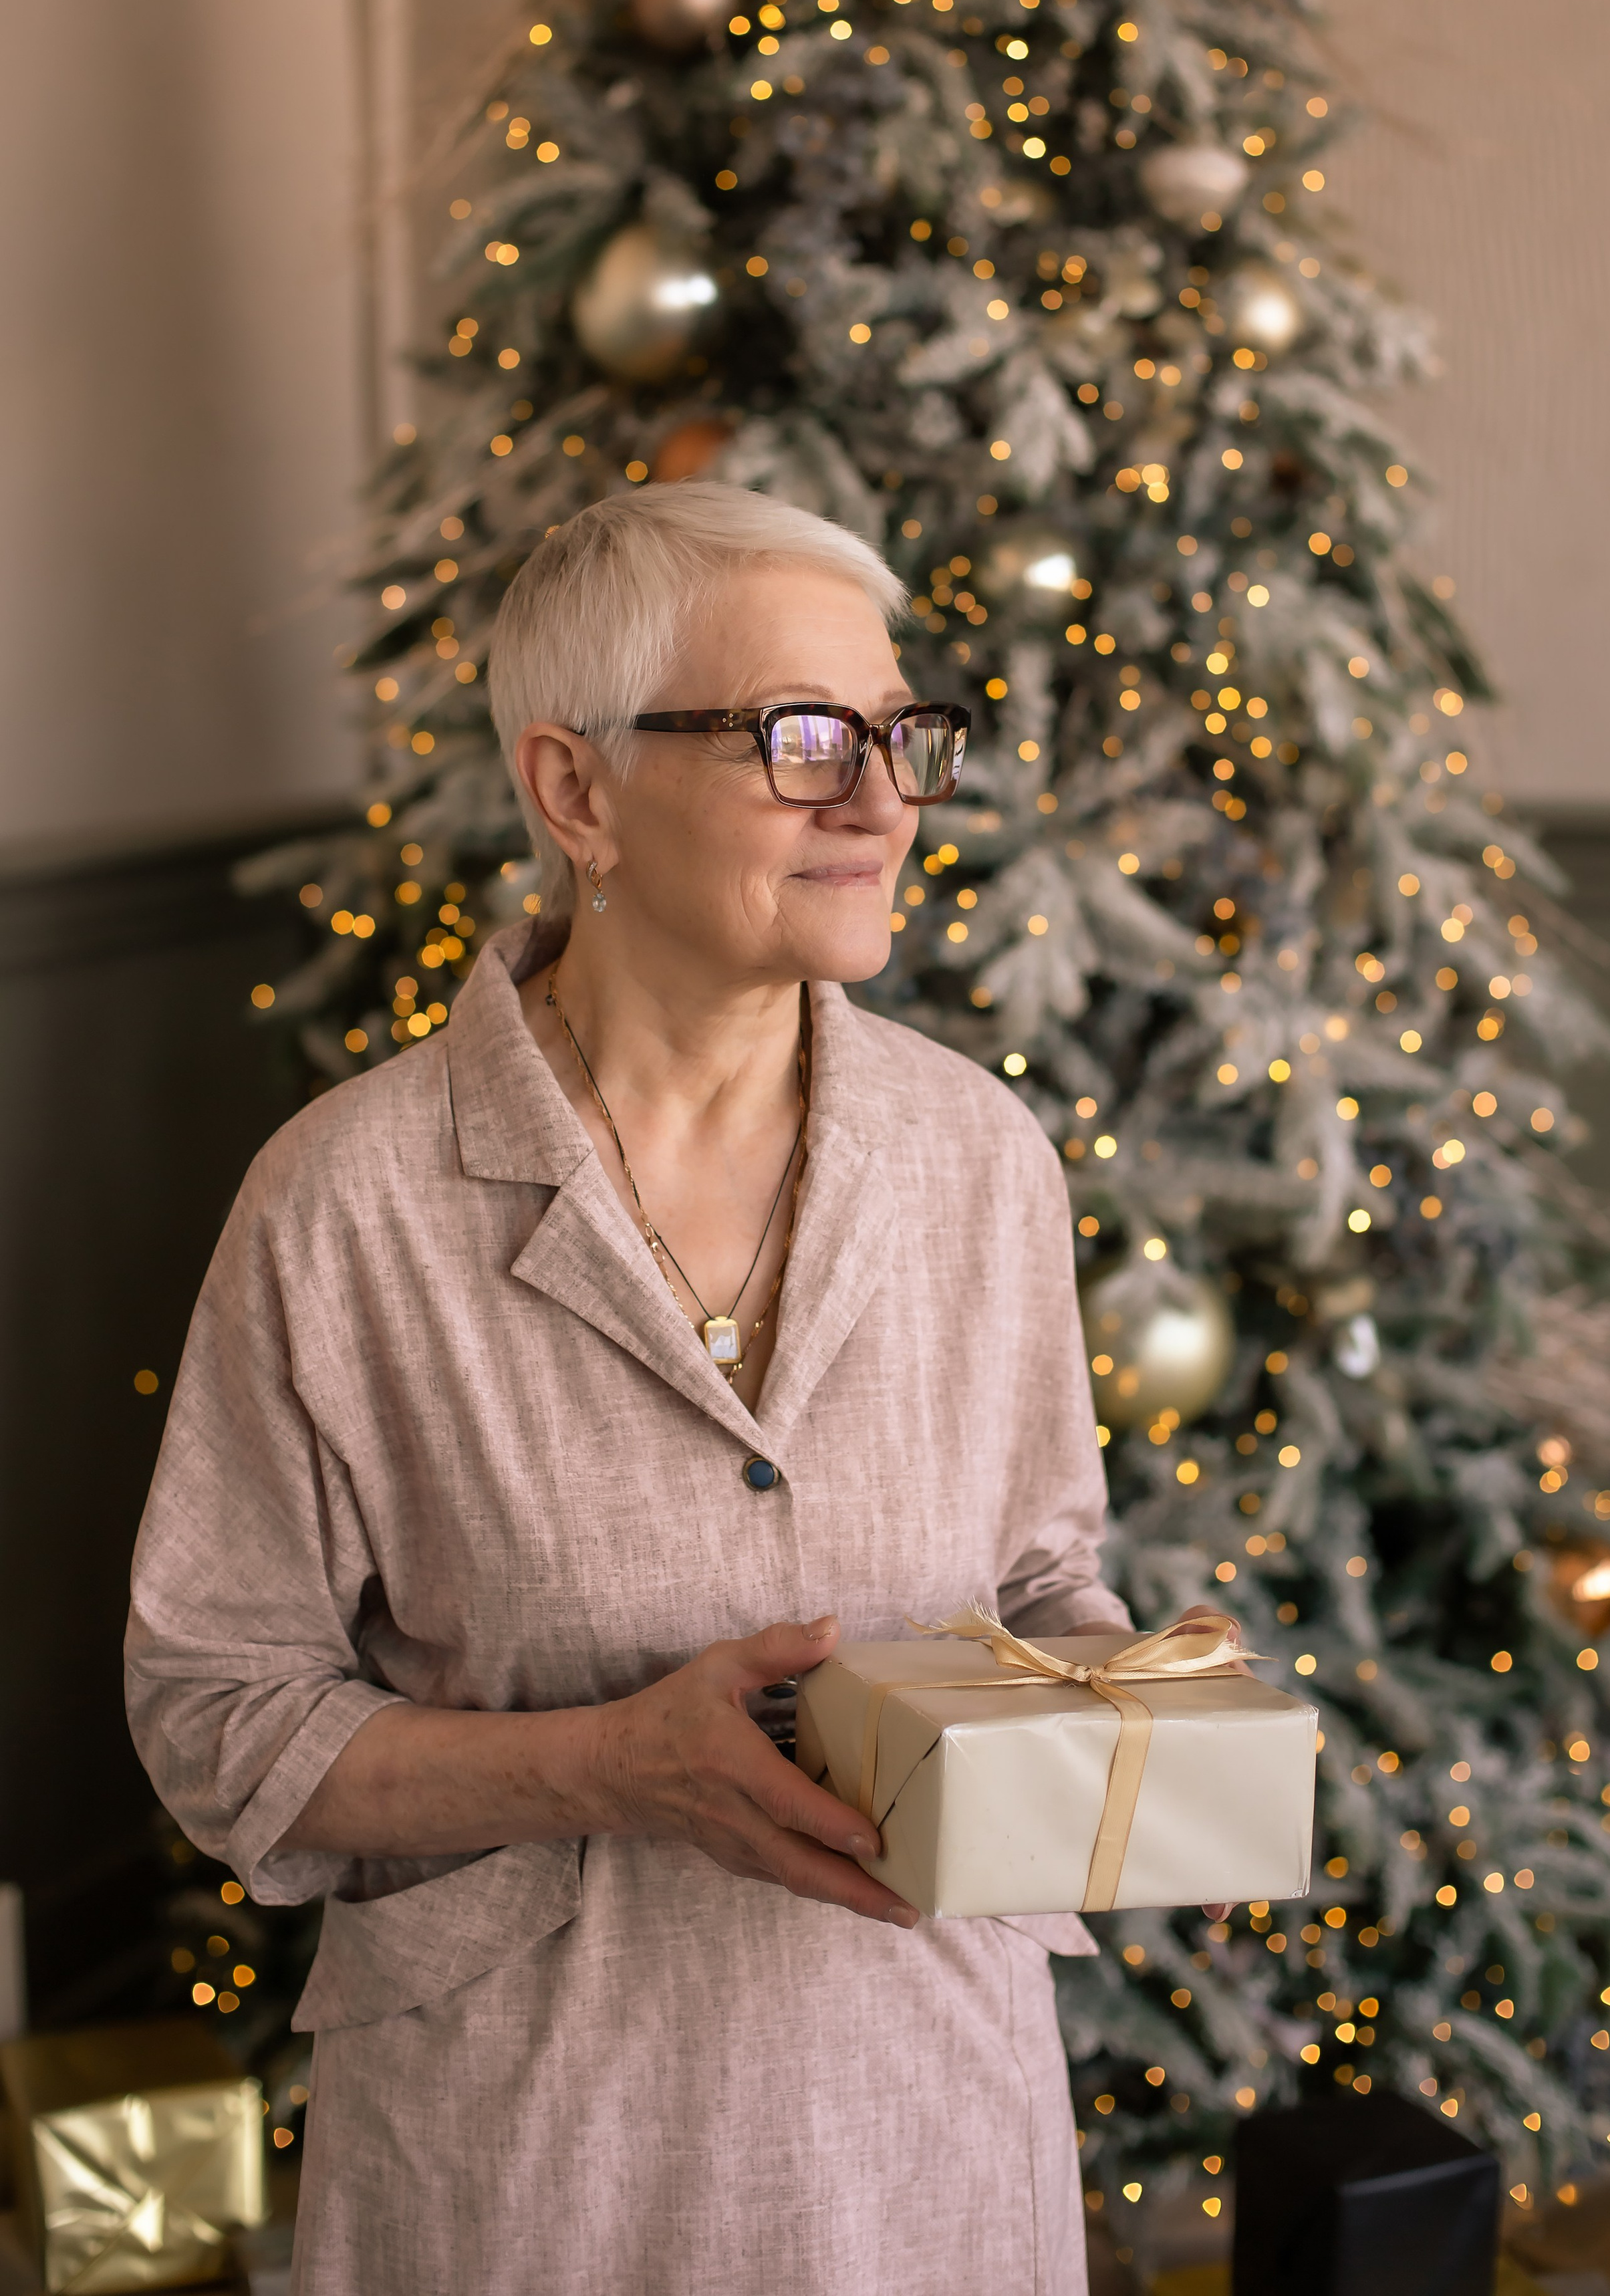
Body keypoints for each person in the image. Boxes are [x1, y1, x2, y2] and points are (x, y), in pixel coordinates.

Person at [126, 480, 1141, 2296]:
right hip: (528, 2167)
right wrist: (609, 1766)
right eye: (802, 737)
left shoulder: (985, 1161)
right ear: (576, 791)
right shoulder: (345, 1202)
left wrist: (1120, 1691)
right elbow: (216, 1712)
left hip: (929, 2143)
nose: (883, 798)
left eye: (906, 735)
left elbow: (1042, 1583)